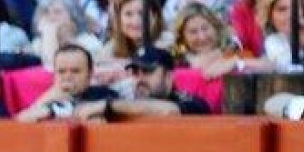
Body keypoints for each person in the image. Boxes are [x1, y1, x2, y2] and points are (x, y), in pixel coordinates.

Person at [75, 46, 211, 120]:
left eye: (147, 71)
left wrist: (108, 107)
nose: (139, 79)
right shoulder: (122, 98)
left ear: (169, 76)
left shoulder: (192, 103)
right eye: (135, 72)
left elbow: (168, 112)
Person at [16, 43, 116, 121]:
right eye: (61, 71)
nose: (67, 77)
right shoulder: (48, 99)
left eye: (75, 71)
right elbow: (19, 124)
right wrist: (46, 99)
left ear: (90, 73)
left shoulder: (104, 95)